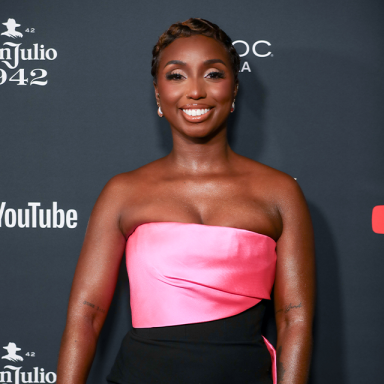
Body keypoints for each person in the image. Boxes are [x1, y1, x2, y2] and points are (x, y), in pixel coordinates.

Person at [56, 18, 315, 384]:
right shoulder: (123, 192)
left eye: (213, 74)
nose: (195, 91)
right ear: (158, 93)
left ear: (235, 88)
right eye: (177, 76)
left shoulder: (280, 192)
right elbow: (87, 313)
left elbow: (294, 318)